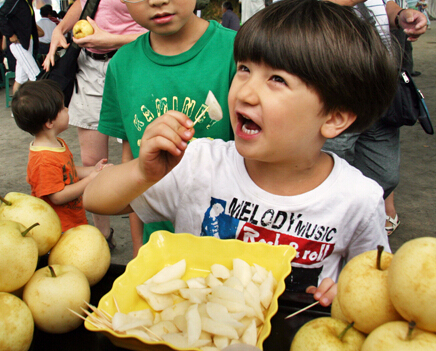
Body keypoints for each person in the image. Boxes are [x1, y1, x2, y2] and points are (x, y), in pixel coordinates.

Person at [85, 0, 397, 304]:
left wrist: (344, 293)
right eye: (245, 69)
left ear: (334, 117)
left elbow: (378, 287)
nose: (245, 92)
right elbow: (95, 199)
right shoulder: (200, 165)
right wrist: (142, 172)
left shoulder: (358, 200)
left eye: (277, 79)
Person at [98, 0, 237, 257]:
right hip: (160, 249)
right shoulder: (122, 65)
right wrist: (140, 250)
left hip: (229, 244)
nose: (157, 1)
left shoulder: (237, 52)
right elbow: (130, 163)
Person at [42, 0, 147, 248]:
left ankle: (140, 245)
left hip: (129, 64)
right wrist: (59, 29)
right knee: (91, 162)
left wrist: (111, 39)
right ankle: (102, 236)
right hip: (88, 66)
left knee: (135, 162)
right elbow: (82, 4)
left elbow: (159, 34)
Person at [323, 0, 428, 236]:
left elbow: (381, 5)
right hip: (335, 92)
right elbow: (292, 15)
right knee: (331, 174)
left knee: (385, 175)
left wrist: (400, 15)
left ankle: (360, 225)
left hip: (380, 92)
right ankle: (331, 237)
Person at [11, 80, 111, 233]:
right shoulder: (44, 159)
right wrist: (91, 179)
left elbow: (67, 171)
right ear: (50, 122)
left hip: (72, 221)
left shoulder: (55, 144)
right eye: (62, 108)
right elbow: (57, 196)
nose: (66, 109)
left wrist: (93, 170)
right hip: (59, 229)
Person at [0, 0, 41, 95]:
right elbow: (1, 16)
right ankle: (38, 106)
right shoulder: (14, 1)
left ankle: (15, 109)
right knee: (35, 75)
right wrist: (10, 34)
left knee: (20, 79)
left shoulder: (26, 2)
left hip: (27, 42)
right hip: (19, 43)